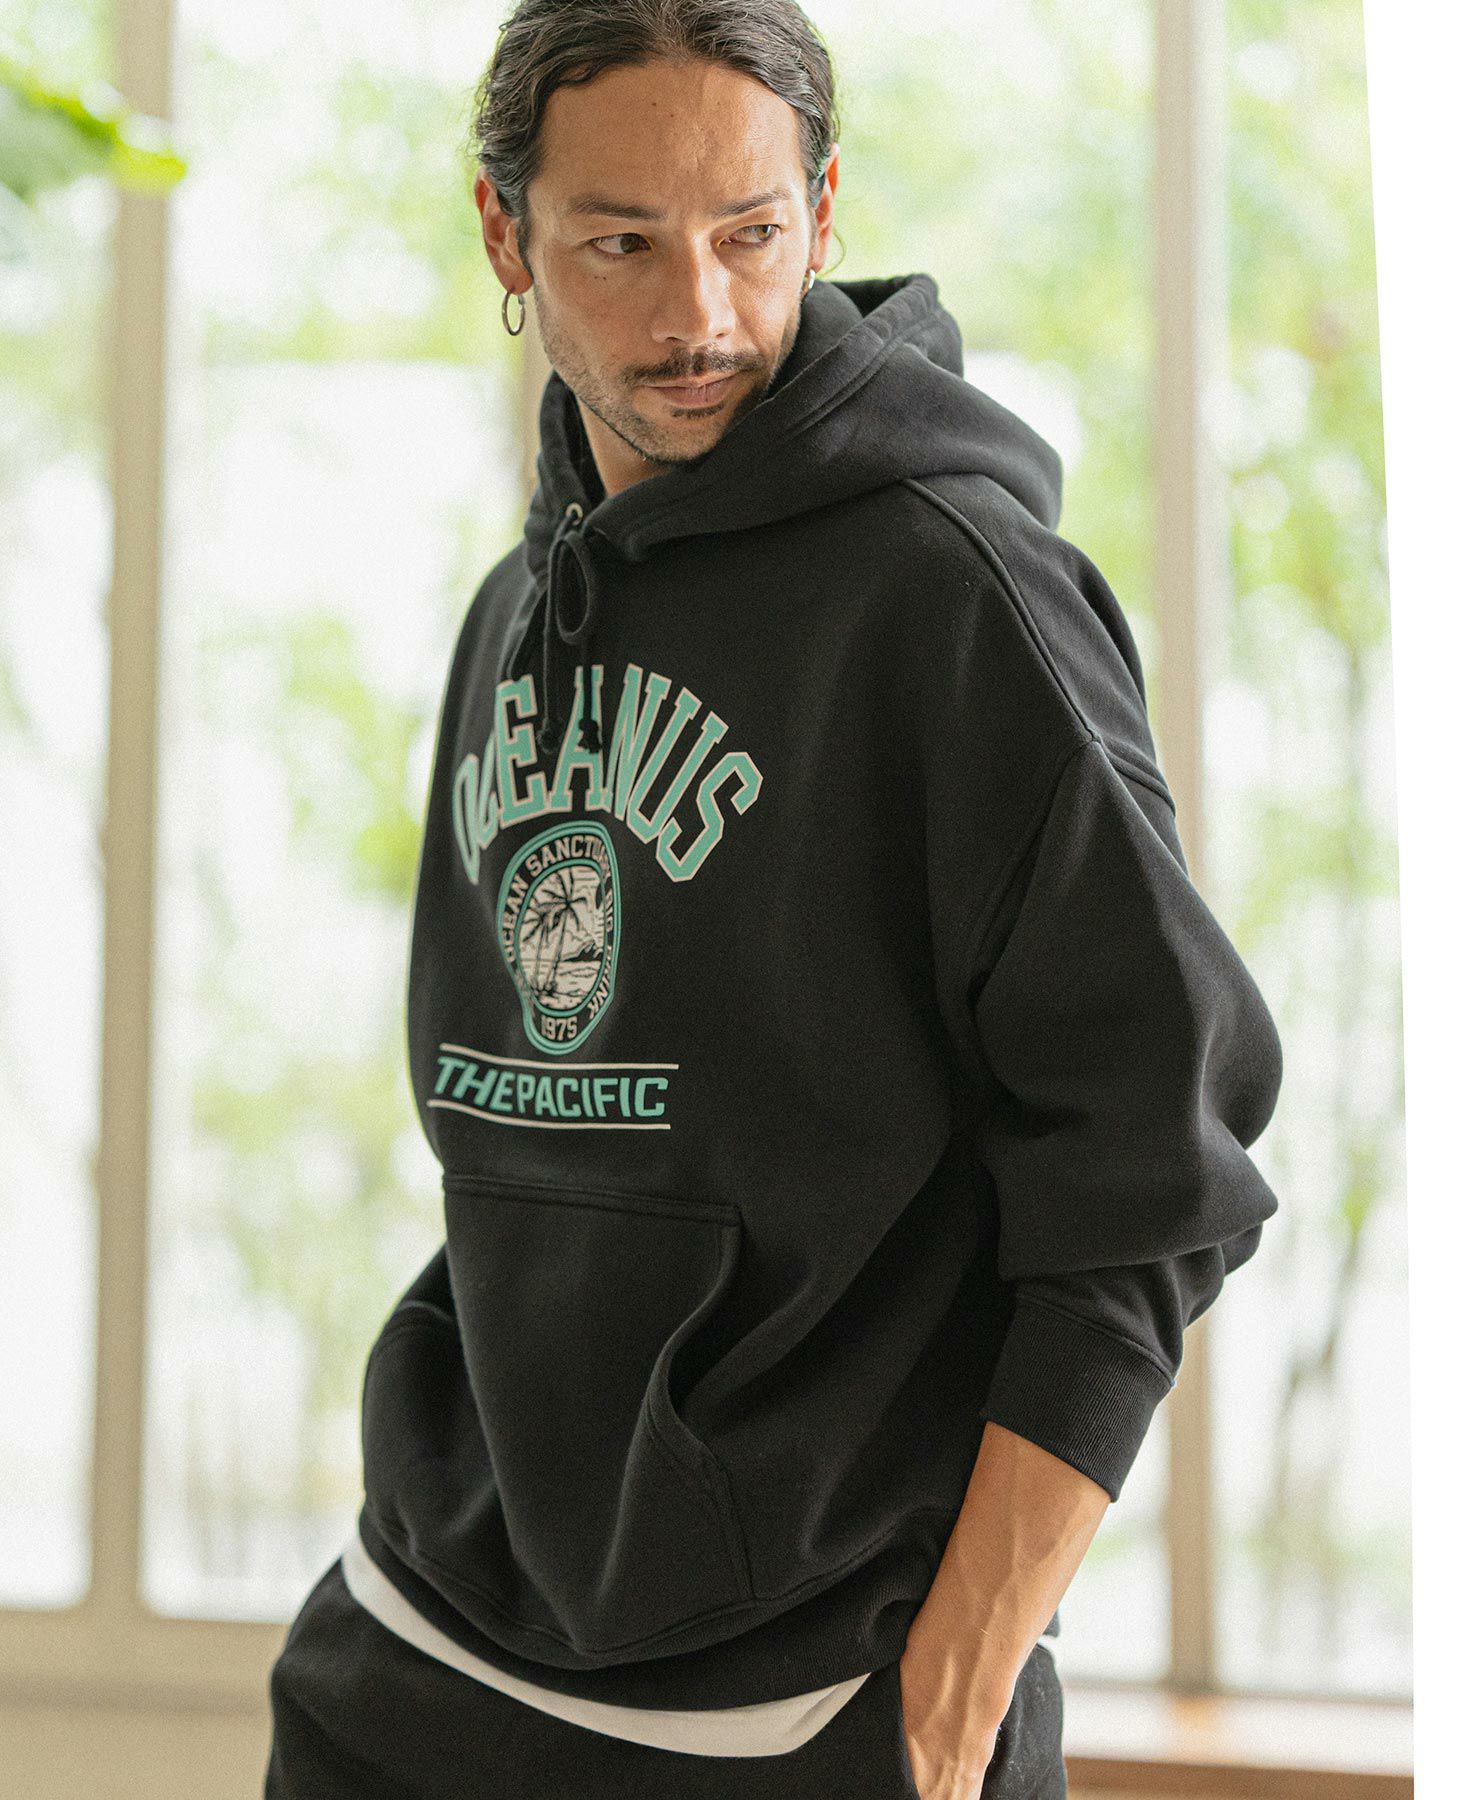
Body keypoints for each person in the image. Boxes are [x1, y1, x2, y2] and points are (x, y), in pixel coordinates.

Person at [263, 3, 1284, 1796]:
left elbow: (1153, 1175)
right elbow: (513, 1113)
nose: (702, 318)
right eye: (620, 244)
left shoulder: (956, 602)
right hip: (420, 1648)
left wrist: (956, 1692)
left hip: (799, 1704)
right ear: (507, 234)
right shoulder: (517, 609)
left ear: (822, 211)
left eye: (749, 233)